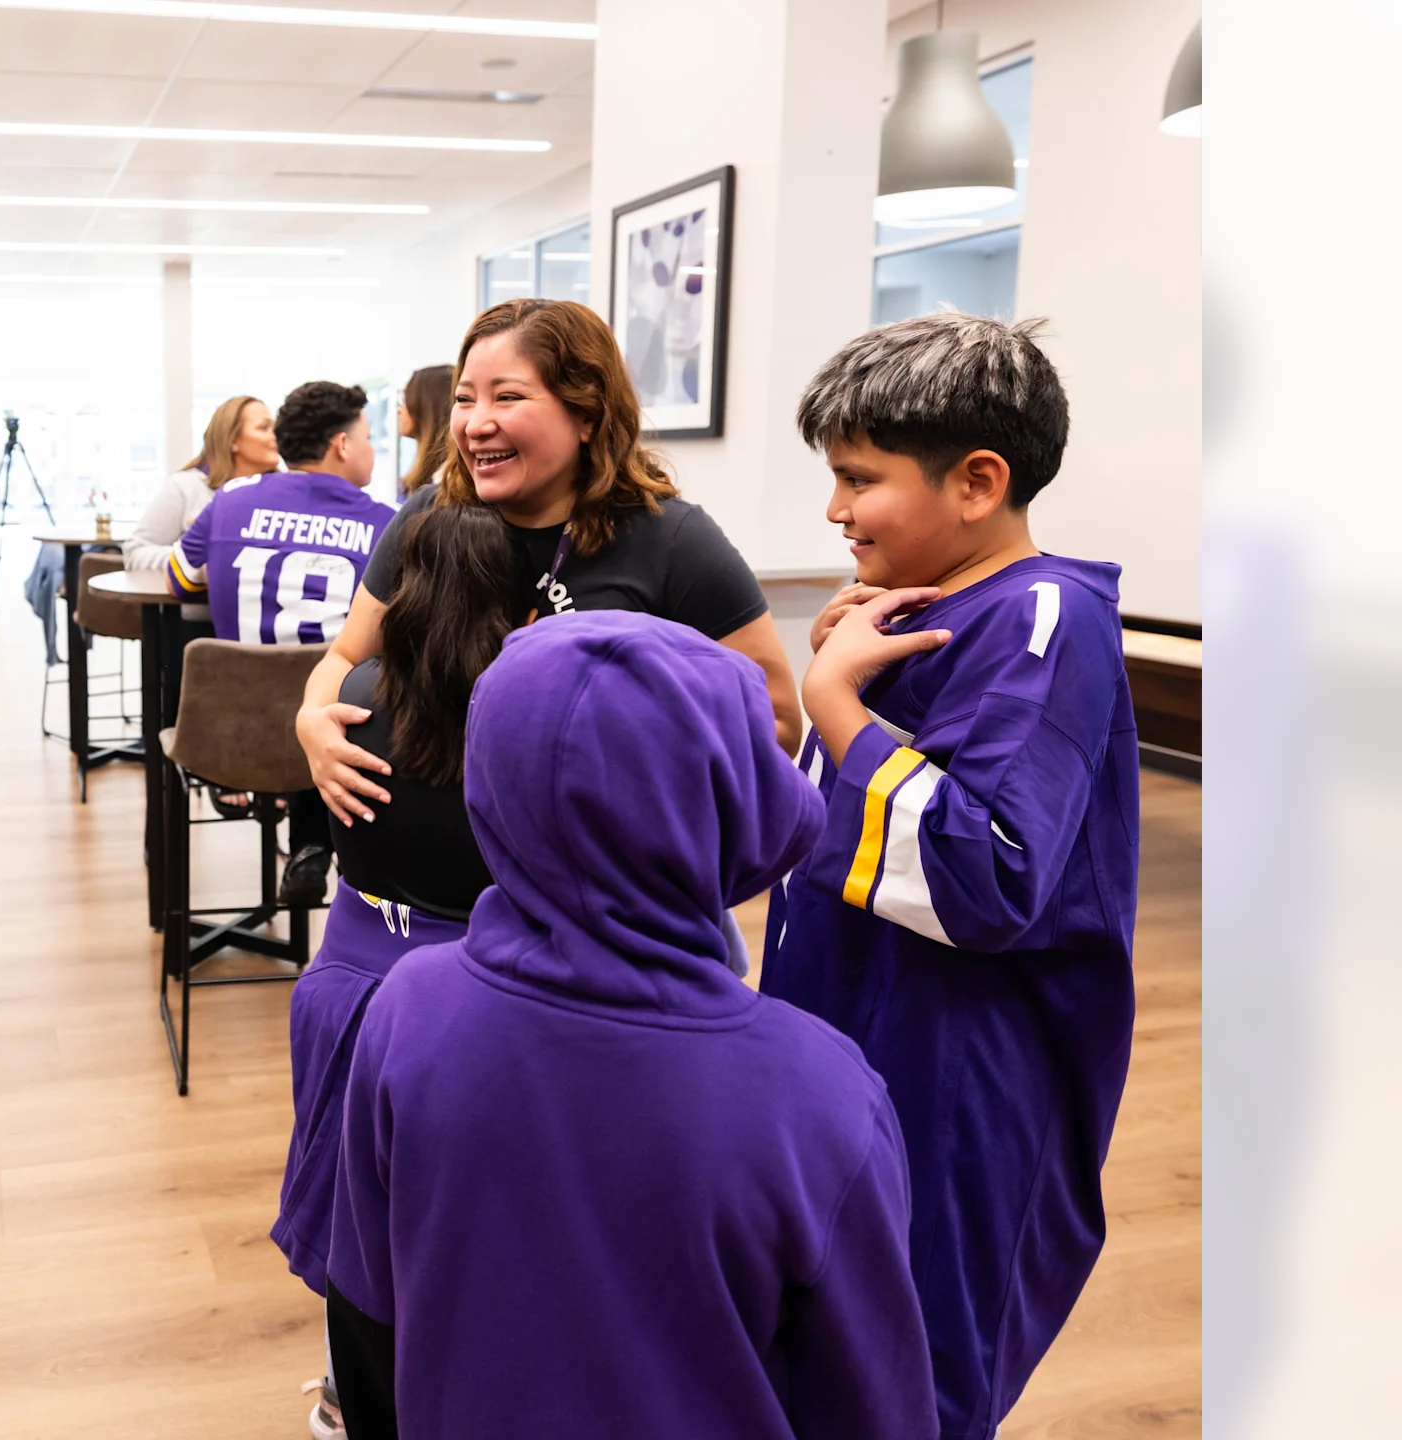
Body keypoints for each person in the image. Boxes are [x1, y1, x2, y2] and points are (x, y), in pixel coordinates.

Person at [325, 612, 937, 1440]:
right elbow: (874, 1408)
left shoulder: (406, 1010)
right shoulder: (820, 1098)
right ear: (734, 799)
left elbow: (367, 1312)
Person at [762, 312, 1137, 1439]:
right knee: (825, 1320)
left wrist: (834, 708)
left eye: (856, 479)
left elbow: (986, 874)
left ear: (977, 482)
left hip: (960, 1070)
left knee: (916, 1365)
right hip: (855, 1029)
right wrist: (839, 700)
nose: (833, 512)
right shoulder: (920, 611)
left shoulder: (1044, 617)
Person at [296, 300, 799, 834]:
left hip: (599, 869)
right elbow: (347, 655)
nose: (475, 424)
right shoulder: (426, 516)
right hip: (443, 865)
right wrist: (312, 722)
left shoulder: (670, 538)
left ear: (586, 413)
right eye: (464, 399)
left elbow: (778, 721)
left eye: (507, 397)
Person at [273, 501, 526, 1440]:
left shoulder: (353, 692)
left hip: (353, 974)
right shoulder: (523, 704)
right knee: (460, 1219)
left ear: (402, 587)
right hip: (481, 991)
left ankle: (351, 1392)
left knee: (356, 1216)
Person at [168, 381, 395, 904]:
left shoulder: (230, 498)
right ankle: (328, 859)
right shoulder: (385, 522)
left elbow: (178, 581)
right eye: (367, 438)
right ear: (341, 444)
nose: (371, 450)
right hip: (337, 749)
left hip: (232, 737)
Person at [124, 393, 278, 571]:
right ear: (232, 440)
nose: (275, 436)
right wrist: (194, 560)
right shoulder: (185, 487)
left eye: (274, 428)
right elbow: (135, 552)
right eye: (264, 428)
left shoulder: (284, 493)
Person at [393, 363, 452, 497]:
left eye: (405, 400)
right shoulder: (412, 481)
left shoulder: (446, 485)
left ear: (428, 407)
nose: (399, 409)